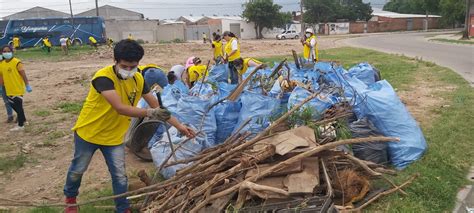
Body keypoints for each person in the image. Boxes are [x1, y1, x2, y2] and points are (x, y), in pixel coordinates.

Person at [63, 39, 195, 213]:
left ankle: (123, 208)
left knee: (119, 176)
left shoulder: (138, 79)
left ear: (138, 64)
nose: (128, 70)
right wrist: (150, 113)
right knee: (78, 169)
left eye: (132, 66)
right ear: (115, 61)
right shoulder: (103, 78)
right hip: (89, 133)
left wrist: (179, 126)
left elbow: (157, 107)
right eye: (124, 66)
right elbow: (120, 108)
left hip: (114, 137)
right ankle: (71, 199)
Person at [0, 45, 32, 131]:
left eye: (8, 51)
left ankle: (20, 125)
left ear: (12, 52)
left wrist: (27, 85)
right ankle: (24, 120)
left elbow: (23, 74)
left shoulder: (17, 62)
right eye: (4, 51)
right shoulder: (2, 64)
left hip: (17, 88)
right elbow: (2, 76)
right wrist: (1, 86)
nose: (6, 53)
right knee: (12, 105)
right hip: (8, 89)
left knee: (18, 106)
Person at [0, 54, 14, 123]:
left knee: (15, 100)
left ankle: (19, 115)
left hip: (11, 85)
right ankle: (10, 116)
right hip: (3, 86)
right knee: (6, 101)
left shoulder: (8, 64)